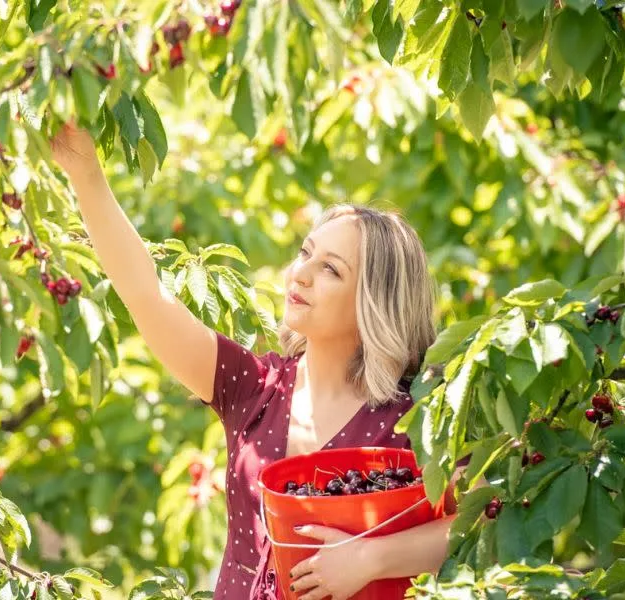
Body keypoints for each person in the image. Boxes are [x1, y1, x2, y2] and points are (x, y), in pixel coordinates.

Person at [50, 122, 465, 600]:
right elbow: (146, 295)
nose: (301, 273)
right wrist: (85, 173)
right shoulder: (255, 388)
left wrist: (370, 557)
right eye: (306, 253)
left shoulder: (419, 413)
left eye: (330, 269)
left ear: (373, 301)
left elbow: (481, 519)